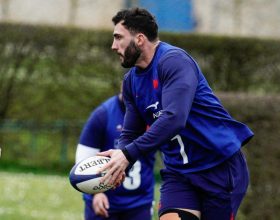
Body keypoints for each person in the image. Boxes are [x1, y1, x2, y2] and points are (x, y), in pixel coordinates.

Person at [98, 7, 254, 220]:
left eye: (118, 38)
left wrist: (127, 154)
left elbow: (174, 119)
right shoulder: (131, 82)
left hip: (218, 165)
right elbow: (130, 133)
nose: (113, 46)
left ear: (140, 39)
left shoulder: (173, 62)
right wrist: (120, 157)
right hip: (178, 173)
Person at [75, 88, 156, 220]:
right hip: (105, 200)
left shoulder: (153, 114)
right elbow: (83, 159)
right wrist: (95, 194)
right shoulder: (102, 114)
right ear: (122, 85)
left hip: (140, 201)